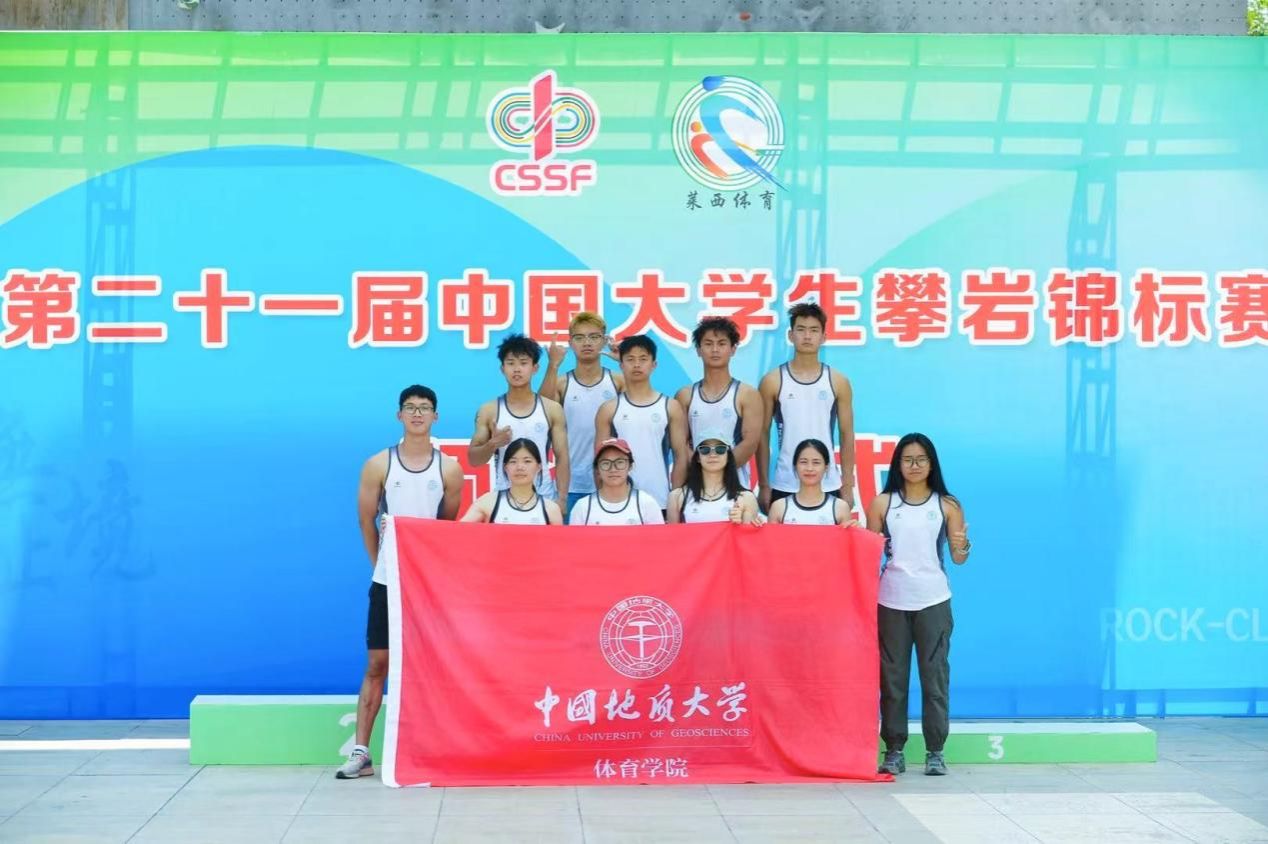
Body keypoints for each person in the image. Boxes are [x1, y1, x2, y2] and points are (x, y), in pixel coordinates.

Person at [338, 385, 464, 780]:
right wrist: (382, 565)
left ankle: (434, 747)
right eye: (410, 408)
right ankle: (362, 752)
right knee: (378, 664)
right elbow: (366, 519)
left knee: (431, 665)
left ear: (435, 416)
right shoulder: (378, 464)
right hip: (387, 582)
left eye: (424, 408)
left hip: (427, 586)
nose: (417, 414)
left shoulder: (449, 469)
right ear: (399, 416)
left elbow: (445, 529)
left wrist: (424, 568)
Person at [865, 433, 970, 777]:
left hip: (933, 600)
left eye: (921, 459)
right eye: (907, 459)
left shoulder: (947, 505)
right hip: (890, 600)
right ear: (897, 464)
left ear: (931, 464)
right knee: (892, 680)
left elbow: (958, 557)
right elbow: (868, 556)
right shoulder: (883, 504)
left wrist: (963, 545)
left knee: (934, 677)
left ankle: (935, 750)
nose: (914, 465)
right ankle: (894, 749)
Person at [757, 302, 855, 513]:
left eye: (814, 330)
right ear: (791, 335)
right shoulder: (773, 381)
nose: (807, 336)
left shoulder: (838, 381)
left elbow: (846, 434)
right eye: (801, 329)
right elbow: (761, 434)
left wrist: (847, 484)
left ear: (824, 337)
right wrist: (764, 485)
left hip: (828, 483)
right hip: (785, 483)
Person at [538, 312, 624, 520]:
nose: (587, 343)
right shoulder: (561, 383)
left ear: (604, 341)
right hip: (570, 485)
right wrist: (553, 364)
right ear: (570, 343)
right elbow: (540, 411)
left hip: (611, 481)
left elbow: (640, 405)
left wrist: (624, 361)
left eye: (594, 337)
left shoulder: (618, 381)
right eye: (579, 337)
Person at [468, 333, 570, 505]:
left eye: (523, 363)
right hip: (503, 502)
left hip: (544, 499)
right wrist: (493, 444)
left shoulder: (552, 409)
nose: (517, 369)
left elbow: (562, 457)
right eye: (510, 363)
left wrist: (562, 499)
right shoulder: (489, 410)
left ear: (535, 368)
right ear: (502, 369)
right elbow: (474, 460)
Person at [594, 334, 689, 514]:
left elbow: (681, 457)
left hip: (660, 500)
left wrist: (675, 501)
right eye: (630, 359)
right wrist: (606, 501)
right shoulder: (608, 409)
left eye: (643, 359)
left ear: (654, 365)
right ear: (621, 365)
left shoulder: (670, 406)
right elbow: (599, 460)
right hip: (619, 502)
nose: (637, 365)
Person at [674, 316, 763, 489]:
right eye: (708, 344)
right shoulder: (685, 395)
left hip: (735, 487)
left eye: (722, 344)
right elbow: (680, 444)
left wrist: (716, 472)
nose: (715, 350)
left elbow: (750, 443)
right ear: (698, 350)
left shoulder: (747, 395)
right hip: (696, 487)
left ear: (733, 349)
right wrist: (703, 472)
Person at [666, 430, 762, 525]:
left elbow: (748, 533)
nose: (712, 454)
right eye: (705, 449)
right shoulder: (677, 497)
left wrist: (742, 522)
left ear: (728, 456)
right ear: (698, 457)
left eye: (720, 449)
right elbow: (672, 534)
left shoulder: (746, 497)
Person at [462, 438, 564, 525]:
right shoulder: (488, 502)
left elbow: (558, 541)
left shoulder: (551, 509)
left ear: (539, 467)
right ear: (505, 467)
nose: (520, 467)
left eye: (527, 461)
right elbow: (458, 532)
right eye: (513, 461)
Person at [568, 438, 664, 525]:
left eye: (620, 462)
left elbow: (659, 538)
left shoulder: (646, 504)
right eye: (606, 463)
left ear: (630, 466)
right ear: (597, 470)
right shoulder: (583, 507)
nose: (613, 469)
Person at [767, 439, 854, 526]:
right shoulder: (779, 508)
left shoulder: (840, 508)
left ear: (826, 467)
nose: (809, 468)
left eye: (816, 462)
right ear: (795, 466)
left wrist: (856, 529)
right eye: (803, 462)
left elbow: (847, 534)